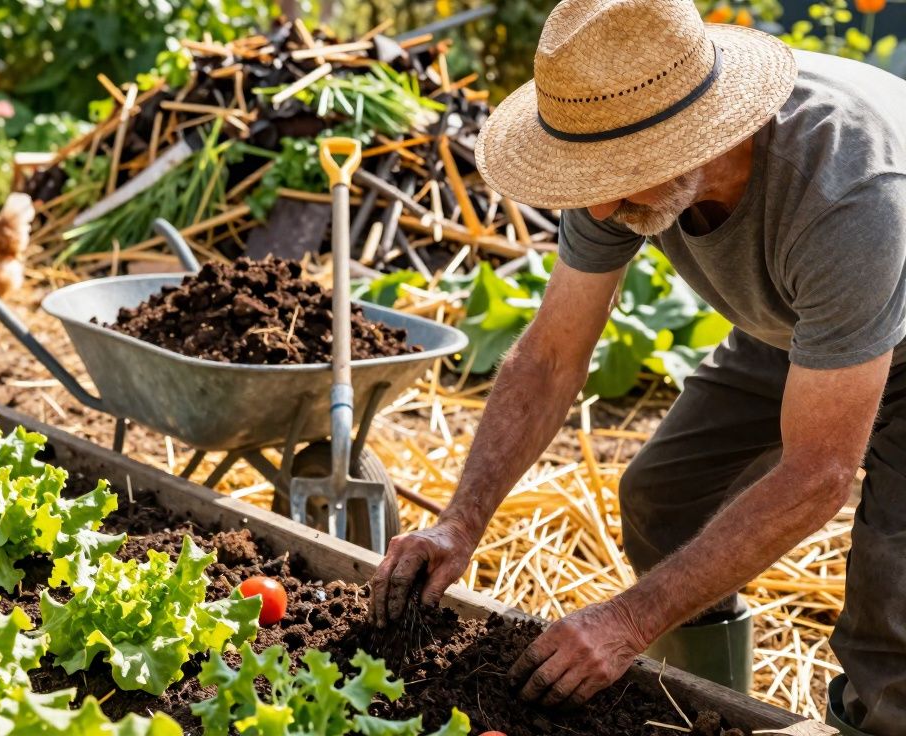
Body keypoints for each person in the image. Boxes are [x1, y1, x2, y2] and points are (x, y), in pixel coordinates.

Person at [365, 0, 906, 732]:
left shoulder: (850, 196)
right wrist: (459, 524)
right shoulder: (613, 153)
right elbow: (553, 353)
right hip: (803, 324)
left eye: (617, 175)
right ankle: (711, 713)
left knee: (892, 622)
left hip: (884, 308)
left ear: (694, 139)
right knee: (665, 500)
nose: (594, 200)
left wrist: (629, 620)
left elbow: (820, 473)